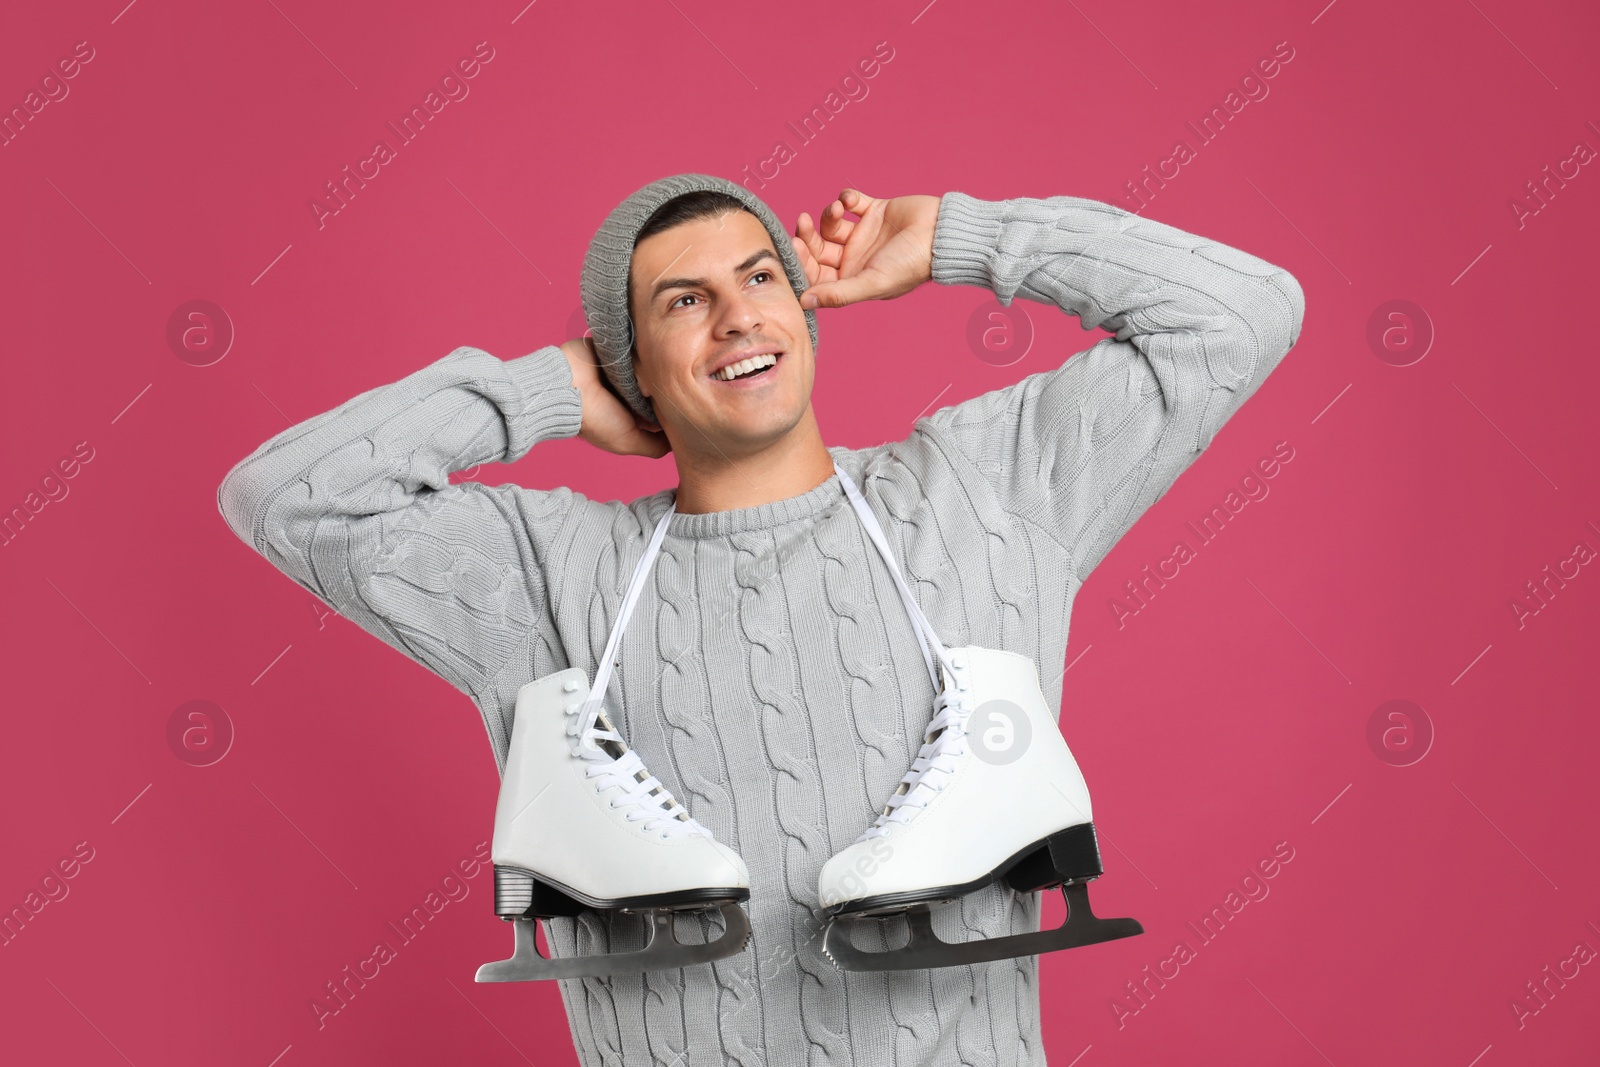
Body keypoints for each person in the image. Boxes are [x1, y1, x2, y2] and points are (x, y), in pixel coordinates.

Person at [218, 172, 1305, 1065]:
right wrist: (547, 389)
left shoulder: (984, 492)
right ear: (631, 365)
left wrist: (960, 238)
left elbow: (1240, 314)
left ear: (800, 308)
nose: (738, 313)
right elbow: (285, 496)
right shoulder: (551, 575)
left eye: (758, 277)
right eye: (683, 301)